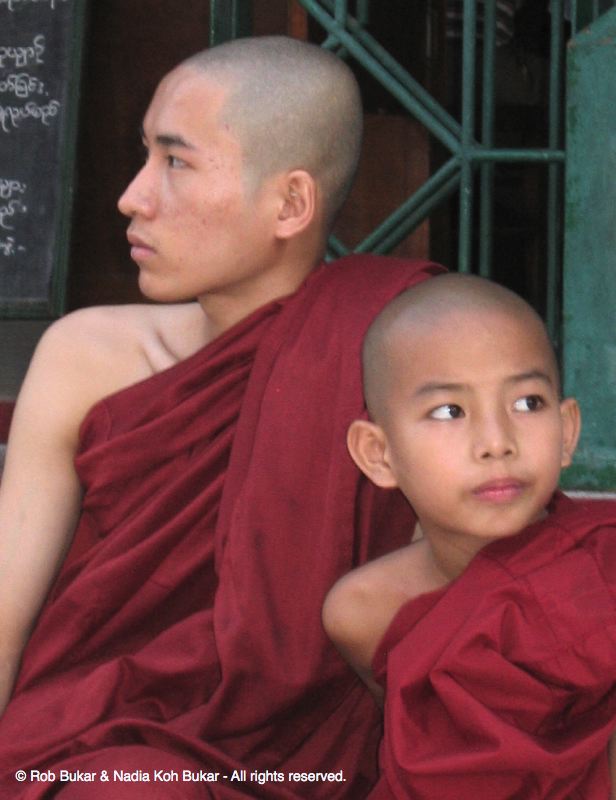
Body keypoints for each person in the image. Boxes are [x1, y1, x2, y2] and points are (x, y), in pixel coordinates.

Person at [0, 35, 443, 799]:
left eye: (175, 162)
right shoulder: (85, 357)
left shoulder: (384, 360)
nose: (132, 197)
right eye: (144, 156)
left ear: (291, 203)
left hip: (319, 760)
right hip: (104, 741)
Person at [322, 272, 616, 799]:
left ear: (567, 432)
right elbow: (429, 757)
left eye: (527, 403)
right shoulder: (364, 612)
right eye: (449, 411)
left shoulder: (605, 572)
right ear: (378, 455)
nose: (496, 443)